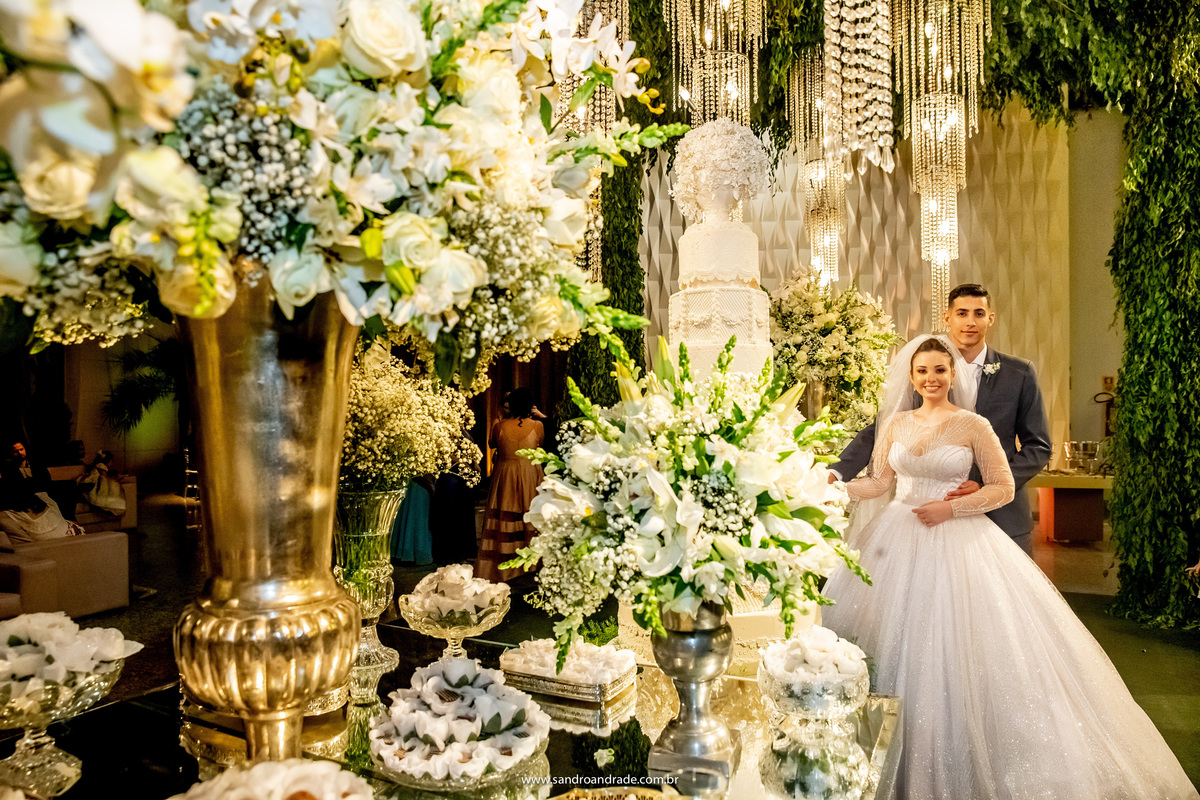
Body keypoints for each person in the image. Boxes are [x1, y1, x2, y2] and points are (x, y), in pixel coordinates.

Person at [823, 336, 1197, 800]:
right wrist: (830, 488)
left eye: (940, 370)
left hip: (956, 540)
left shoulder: (974, 425)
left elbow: (1001, 488)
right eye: (922, 371)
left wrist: (951, 510)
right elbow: (879, 482)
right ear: (911, 376)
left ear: (952, 374)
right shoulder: (896, 423)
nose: (930, 379)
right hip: (895, 538)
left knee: (960, 645)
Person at [830, 284, 1052, 554]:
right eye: (962, 313)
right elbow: (881, 428)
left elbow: (1038, 446)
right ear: (947, 318)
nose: (970, 322)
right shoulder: (925, 369)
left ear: (990, 318)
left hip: (1002, 516)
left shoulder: (1019, 373)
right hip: (922, 519)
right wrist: (836, 473)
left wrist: (985, 484)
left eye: (979, 313)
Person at [476, 388, 544, 582]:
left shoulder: (499, 426)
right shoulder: (538, 425)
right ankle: (531, 565)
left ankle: (505, 566)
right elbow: (541, 443)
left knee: (505, 514)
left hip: (505, 475)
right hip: (530, 473)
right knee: (529, 515)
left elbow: (491, 444)